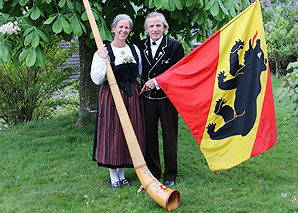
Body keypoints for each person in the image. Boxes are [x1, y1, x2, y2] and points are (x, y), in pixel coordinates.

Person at [91, 14, 145, 190]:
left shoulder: (134, 49)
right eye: (120, 27)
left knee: (129, 134)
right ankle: (113, 175)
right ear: (113, 28)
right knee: (113, 133)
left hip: (132, 97)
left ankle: (122, 174)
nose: (124, 30)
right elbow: (97, 79)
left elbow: (140, 72)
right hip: (112, 97)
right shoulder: (104, 50)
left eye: (127, 27)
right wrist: (100, 57)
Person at [137, 12, 184, 187]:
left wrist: (156, 82)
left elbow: (178, 73)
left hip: (168, 98)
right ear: (146, 29)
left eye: (158, 26)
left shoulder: (174, 46)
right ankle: (154, 171)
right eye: (151, 26)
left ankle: (170, 174)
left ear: (164, 27)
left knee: (169, 135)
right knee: (149, 136)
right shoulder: (139, 46)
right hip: (147, 98)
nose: (155, 29)